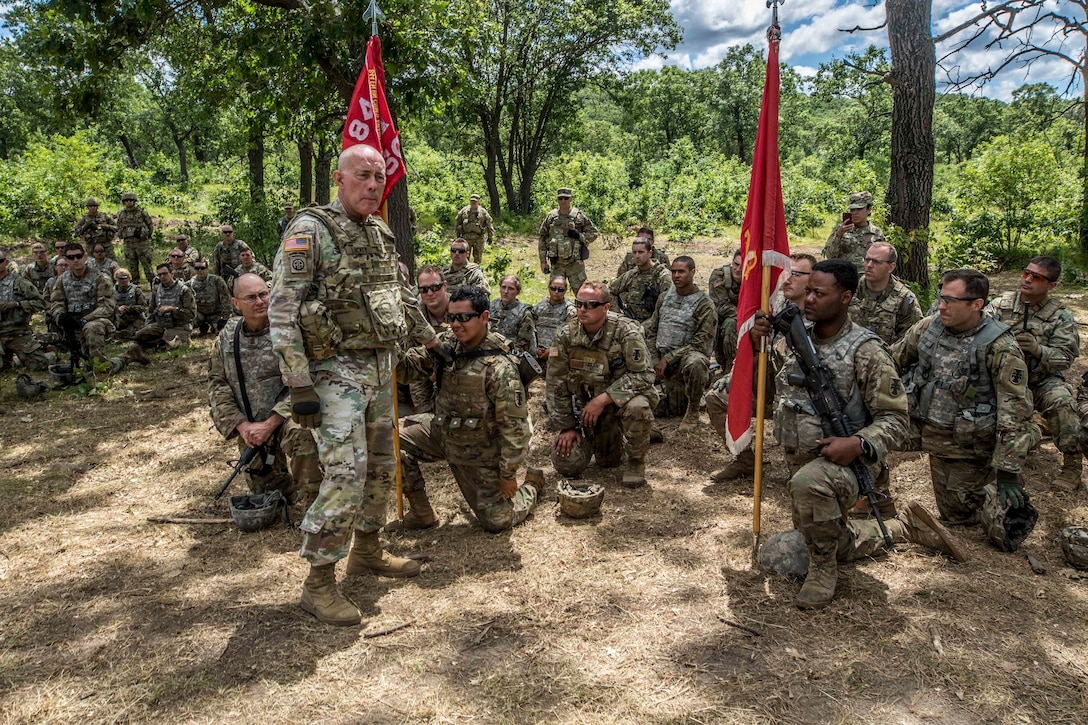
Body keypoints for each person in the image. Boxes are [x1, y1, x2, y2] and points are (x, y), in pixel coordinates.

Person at [269, 143, 440, 627]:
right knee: (344, 474)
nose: (372, 185)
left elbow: (400, 294)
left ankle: (367, 548)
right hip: (333, 373)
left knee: (382, 466)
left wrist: (430, 340)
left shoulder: (380, 229)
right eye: (362, 176)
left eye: (379, 177)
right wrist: (298, 383)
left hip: (378, 368)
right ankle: (319, 583)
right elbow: (282, 309)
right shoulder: (309, 232)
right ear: (339, 180)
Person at [752, 259, 963, 610]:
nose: (810, 300)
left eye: (821, 294)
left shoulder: (866, 351)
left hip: (847, 464)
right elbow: (772, 389)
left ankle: (823, 571)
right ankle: (903, 528)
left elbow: (896, 419)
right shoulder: (795, 339)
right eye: (810, 291)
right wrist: (756, 345)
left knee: (812, 503)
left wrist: (859, 443)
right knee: (823, 539)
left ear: (846, 297)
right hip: (802, 461)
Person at [891, 269, 1037, 544]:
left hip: (967, 442)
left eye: (951, 301)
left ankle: (1004, 465)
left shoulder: (999, 346)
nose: (941, 306)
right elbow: (890, 361)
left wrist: (1008, 472)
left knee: (958, 515)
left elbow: (1015, 411)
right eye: (941, 297)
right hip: (924, 426)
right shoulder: (929, 327)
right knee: (867, 442)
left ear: (976, 304)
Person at [397, 285, 543, 531]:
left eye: (464, 317)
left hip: (479, 452)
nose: (456, 324)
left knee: (497, 522)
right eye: (452, 317)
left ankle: (532, 486)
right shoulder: (446, 345)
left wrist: (508, 474)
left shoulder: (499, 368)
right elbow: (407, 370)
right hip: (442, 433)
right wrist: (389, 351)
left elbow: (515, 429)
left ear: (484, 317)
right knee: (388, 441)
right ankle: (421, 513)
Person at [209, 273, 321, 504]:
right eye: (250, 297)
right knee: (269, 497)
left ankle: (316, 504)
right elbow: (217, 385)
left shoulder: (290, 329)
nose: (260, 301)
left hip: (289, 416)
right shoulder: (227, 338)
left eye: (264, 294)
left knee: (302, 434)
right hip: (251, 426)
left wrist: (271, 423)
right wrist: (243, 426)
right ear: (236, 303)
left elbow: (311, 378)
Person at [705, 252, 815, 481]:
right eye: (786, 272)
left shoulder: (819, 316)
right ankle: (745, 460)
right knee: (716, 398)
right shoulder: (774, 304)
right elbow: (760, 354)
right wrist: (756, 340)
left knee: (804, 482)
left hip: (799, 398)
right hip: (768, 386)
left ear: (812, 280)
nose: (786, 279)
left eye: (795, 274)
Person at [548, 281, 657, 488]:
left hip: (620, 404)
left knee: (638, 408)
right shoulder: (566, 335)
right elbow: (556, 381)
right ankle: (630, 434)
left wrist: (603, 399)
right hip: (589, 410)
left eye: (590, 305)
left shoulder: (626, 331)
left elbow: (644, 375)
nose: (582, 309)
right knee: (573, 463)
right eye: (579, 303)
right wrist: (567, 427)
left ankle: (636, 460)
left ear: (606, 307)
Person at [988, 256, 1082, 489]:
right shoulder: (1000, 306)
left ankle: (1072, 465)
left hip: (1041, 380)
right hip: (1002, 380)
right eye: (1025, 273)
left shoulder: (1060, 316)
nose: (1028, 280)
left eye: (1036, 277)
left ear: (1052, 285)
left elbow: (1066, 358)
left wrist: (1039, 350)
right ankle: (1031, 434)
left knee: (1063, 404)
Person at [643, 256, 716, 431]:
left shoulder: (705, 304)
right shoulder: (664, 297)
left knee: (697, 362)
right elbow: (652, 330)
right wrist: (653, 360)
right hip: (661, 362)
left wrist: (668, 358)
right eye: (674, 271)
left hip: (684, 362)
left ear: (692, 272)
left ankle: (692, 411)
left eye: (681, 271)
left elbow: (701, 344)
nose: (676, 275)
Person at [49, 243, 117, 366]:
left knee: (96, 364)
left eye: (78, 256)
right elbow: (56, 302)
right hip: (72, 325)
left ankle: (119, 360)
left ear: (85, 256)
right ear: (66, 260)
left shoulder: (100, 278)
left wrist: (84, 319)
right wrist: (60, 316)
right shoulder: (62, 280)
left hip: (96, 321)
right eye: (71, 257)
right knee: (80, 364)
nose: (75, 260)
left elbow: (106, 306)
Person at [848, 242, 922, 345]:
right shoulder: (850, 288)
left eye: (876, 262)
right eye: (867, 260)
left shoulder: (905, 300)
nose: (869, 265)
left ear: (891, 267)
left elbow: (909, 345)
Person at [128, 263, 197, 359]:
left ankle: (167, 342)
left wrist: (173, 309)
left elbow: (191, 314)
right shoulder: (157, 290)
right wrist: (147, 327)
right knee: (139, 335)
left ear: (172, 274)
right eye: (159, 275)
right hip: (161, 324)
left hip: (179, 326)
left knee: (172, 346)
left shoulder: (184, 290)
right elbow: (151, 311)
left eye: (165, 274)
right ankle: (157, 342)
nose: (162, 277)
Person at [409, 265, 452, 414]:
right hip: (427, 374)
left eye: (435, 287)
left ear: (445, 286)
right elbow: (415, 365)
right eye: (424, 289)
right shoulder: (414, 318)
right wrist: (424, 410)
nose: (429, 293)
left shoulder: (462, 309)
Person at [538, 187, 598, 293]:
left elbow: (593, 233)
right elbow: (542, 238)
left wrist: (578, 236)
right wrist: (543, 261)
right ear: (557, 200)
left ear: (571, 199)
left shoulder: (578, 217)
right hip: (557, 264)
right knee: (555, 294)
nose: (563, 201)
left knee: (582, 294)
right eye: (560, 198)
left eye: (566, 198)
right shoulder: (551, 217)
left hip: (575, 264)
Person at [0, 251, 51, 371]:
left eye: (0, 261)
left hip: (17, 333)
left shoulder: (19, 282)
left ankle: (49, 350)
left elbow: (41, 302)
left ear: (6, 262)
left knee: (40, 365)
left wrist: (16, 305)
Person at [610, 237, 671, 323]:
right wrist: (617, 313)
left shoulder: (662, 276)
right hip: (632, 326)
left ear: (650, 253)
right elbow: (610, 291)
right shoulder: (631, 274)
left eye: (641, 252)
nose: (637, 256)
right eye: (634, 252)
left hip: (654, 327)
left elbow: (670, 306)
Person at [823, 191, 885, 274]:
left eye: (859, 209)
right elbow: (830, 256)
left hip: (867, 279)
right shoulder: (840, 230)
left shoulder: (876, 233)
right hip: (843, 277)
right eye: (852, 210)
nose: (855, 213)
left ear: (869, 210)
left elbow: (882, 260)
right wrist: (838, 235)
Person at [707, 250, 743, 373]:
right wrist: (745, 317)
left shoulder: (753, 279)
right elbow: (721, 307)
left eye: (743, 266)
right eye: (736, 264)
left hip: (742, 322)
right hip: (720, 321)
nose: (738, 269)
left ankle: (732, 366)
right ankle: (727, 366)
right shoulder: (719, 276)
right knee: (729, 323)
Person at [534, 274, 573, 375]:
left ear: (565, 291)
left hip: (557, 354)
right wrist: (535, 349)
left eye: (560, 290)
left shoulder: (569, 310)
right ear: (548, 288)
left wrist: (551, 351)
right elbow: (531, 330)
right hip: (536, 352)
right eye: (553, 288)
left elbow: (570, 342)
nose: (556, 292)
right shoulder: (539, 306)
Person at [489, 275, 536, 354]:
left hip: (513, 354)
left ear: (517, 291)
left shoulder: (524, 313)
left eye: (511, 289)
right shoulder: (492, 306)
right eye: (503, 287)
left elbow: (523, 344)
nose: (506, 291)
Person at [116, 192, 155, 285]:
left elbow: (150, 225)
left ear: (134, 201)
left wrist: (145, 235)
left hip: (142, 244)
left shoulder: (141, 212)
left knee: (147, 266)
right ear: (124, 202)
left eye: (131, 200)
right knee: (132, 267)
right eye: (126, 201)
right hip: (128, 244)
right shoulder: (121, 214)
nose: (129, 202)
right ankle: (134, 287)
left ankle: (154, 286)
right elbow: (118, 227)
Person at [190, 261, 233, 336]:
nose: (200, 270)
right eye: (197, 268)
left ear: (207, 269)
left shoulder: (217, 280)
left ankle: (214, 326)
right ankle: (203, 326)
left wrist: (225, 318)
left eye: (202, 268)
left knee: (223, 332)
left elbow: (226, 300)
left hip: (216, 313)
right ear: (194, 269)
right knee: (186, 326)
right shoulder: (190, 283)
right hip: (200, 314)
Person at [455, 194, 495, 264]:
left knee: (478, 259)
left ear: (478, 201)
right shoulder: (464, 211)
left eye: (475, 201)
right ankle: (464, 272)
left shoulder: (483, 212)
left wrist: (490, 237)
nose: (473, 203)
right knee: (464, 258)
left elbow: (489, 224)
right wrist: (458, 237)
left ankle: (476, 273)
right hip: (466, 238)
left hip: (478, 238)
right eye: (472, 201)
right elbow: (457, 224)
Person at [113, 267, 147, 336]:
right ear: (116, 279)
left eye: (125, 278)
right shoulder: (112, 291)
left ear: (129, 278)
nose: (123, 280)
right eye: (120, 278)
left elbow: (144, 307)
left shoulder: (136, 290)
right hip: (119, 318)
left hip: (135, 318)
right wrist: (117, 309)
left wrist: (128, 309)